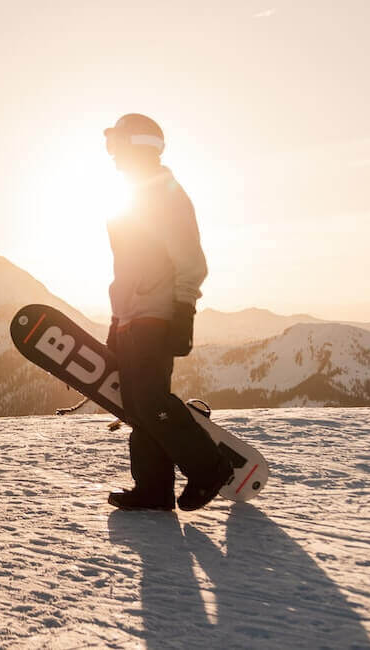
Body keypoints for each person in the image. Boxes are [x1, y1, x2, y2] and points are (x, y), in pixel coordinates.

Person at [103, 113, 232, 511]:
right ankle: (153, 489)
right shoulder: (130, 197)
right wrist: (115, 319)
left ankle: (210, 467)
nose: (111, 155)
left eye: (116, 146)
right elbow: (126, 271)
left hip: (155, 314)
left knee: (151, 400)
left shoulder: (165, 196)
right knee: (137, 405)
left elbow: (190, 260)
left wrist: (182, 308)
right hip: (132, 316)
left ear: (137, 146)